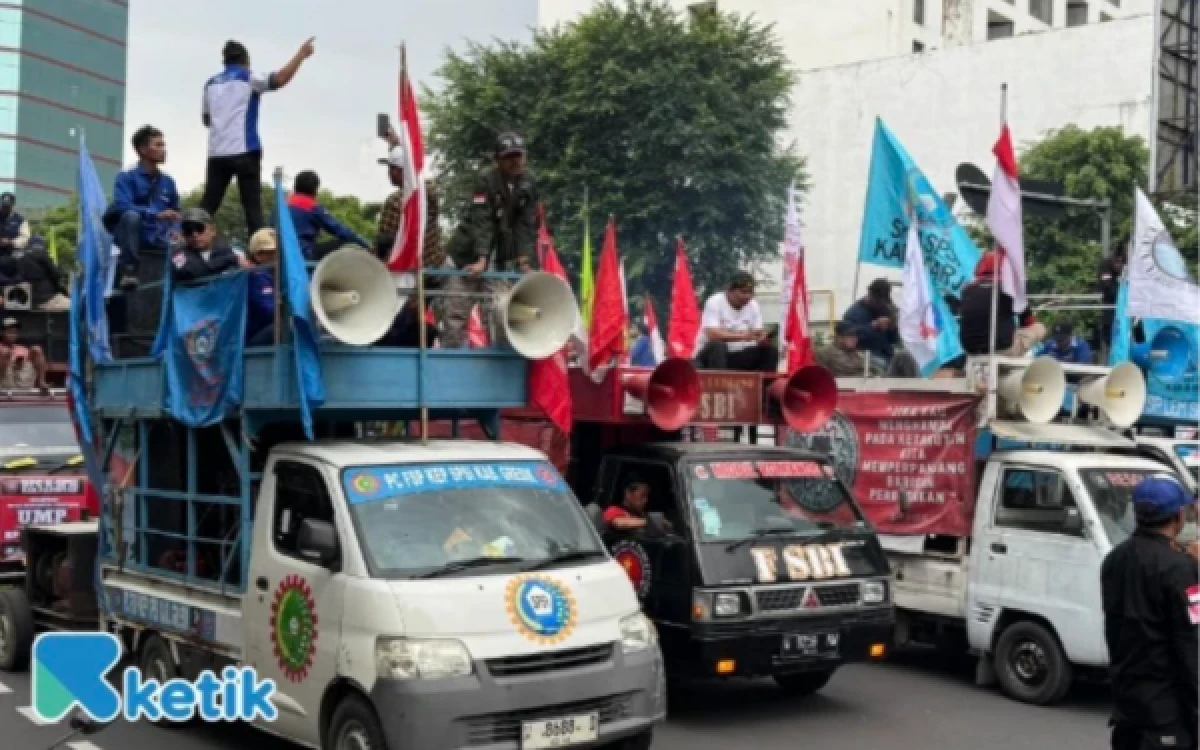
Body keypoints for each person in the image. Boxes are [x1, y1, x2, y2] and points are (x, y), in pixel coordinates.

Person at [1102, 474, 1200, 750]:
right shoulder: (1179, 568)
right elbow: (1191, 647)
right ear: (1178, 516)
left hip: (1126, 709)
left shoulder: (1114, 560)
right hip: (1166, 716)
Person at [200, 38, 315, 234]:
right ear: (246, 60)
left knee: (207, 206)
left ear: (224, 62)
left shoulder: (210, 83)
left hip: (217, 153)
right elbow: (279, 79)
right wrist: (301, 55)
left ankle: (184, 241)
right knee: (253, 211)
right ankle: (258, 255)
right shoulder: (248, 77)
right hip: (245, 151)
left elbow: (206, 119)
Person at [442, 132, 538, 349]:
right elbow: (481, 220)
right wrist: (481, 258)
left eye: (518, 156)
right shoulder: (485, 180)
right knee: (456, 314)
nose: (514, 161)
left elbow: (526, 224)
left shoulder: (528, 183)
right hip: (466, 257)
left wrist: (524, 261)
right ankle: (449, 363)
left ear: (526, 157)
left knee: (498, 312)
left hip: (498, 259)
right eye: (508, 157)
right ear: (497, 160)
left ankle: (496, 364)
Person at [109, 125, 181, 291]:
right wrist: (156, 214)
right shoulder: (126, 177)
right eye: (158, 145)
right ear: (142, 150)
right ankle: (129, 271)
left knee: (192, 233)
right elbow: (122, 206)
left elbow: (176, 211)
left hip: (161, 237)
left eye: (164, 145)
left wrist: (177, 229)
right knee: (131, 216)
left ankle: (185, 273)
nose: (164, 149)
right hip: (136, 235)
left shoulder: (168, 182)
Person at [958, 250, 1046, 357]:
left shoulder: (967, 290)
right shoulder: (1009, 290)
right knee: (1039, 328)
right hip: (1002, 349)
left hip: (970, 350)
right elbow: (1028, 322)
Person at [694, 272, 779, 372]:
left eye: (750, 292)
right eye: (743, 292)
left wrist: (763, 339)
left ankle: (763, 386)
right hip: (709, 358)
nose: (747, 296)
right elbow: (712, 335)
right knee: (717, 345)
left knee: (770, 352)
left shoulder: (753, 305)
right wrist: (745, 336)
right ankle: (720, 385)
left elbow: (757, 333)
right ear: (729, 290)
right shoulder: (715, 301)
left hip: (735, 357)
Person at [286, 171, 368, 260]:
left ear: (295, 186)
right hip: (305, 253)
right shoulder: (312, 206)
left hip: (282, 252)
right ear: (314, 189)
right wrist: (364, 244)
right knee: (344, 243)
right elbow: (339, 230)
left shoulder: (283, 204)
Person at [170, 208, 240, 283]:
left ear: (213, 230)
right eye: (188, 231)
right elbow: (191, 272)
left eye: (199, 228)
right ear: (183, 235)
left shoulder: (235, 251)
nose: (194, 234)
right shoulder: (177, 255)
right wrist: (232, 260)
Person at [842, 278, 900, 367]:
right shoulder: (854, 312)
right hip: (864, 356)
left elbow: (894, 340)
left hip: (886, 355)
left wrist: (893, 328)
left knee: (904, 362)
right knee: (884, 365)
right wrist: (873, 325)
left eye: (883, 302)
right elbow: (848, 335)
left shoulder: (886, 310)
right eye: (879, 301)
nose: (881, 305)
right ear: (870, 295)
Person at [14, 236, 69, 311]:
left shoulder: (18, 256)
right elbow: (55, 275)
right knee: (76, 307)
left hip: (24, 300)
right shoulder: (41, 254)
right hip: (45, 298)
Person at [244, 228, 277, 346]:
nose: (276, 255)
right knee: (286, 327)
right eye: (271, 252)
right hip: (255, 336)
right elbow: (268, 311)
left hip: (269, 331)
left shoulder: (278, 276)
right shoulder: (257, 277)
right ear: (258, 256)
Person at [0, 317, 47, 391]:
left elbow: (30, 362)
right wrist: (9, 361)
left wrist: (19, 363)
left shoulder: (21, 348)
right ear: (2, 333)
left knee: (36, 349)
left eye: (15, 332)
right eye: (9, 332)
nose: (13, 335)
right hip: (4, 381)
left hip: (22, 380)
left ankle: (41, 382)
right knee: (5, 352)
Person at [1098, 244, 1127, 358]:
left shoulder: (1128, 267)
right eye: (1116, 262)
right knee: (1108, 332)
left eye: (1121, 262)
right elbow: (1107, 286)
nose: (1118, 265)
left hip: (1126, 307)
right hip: (1111, 304)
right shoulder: (1105, 266)